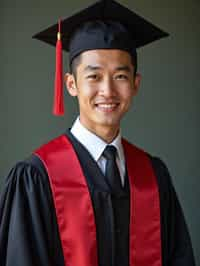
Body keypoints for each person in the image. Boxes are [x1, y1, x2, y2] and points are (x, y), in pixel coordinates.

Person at [0, 1, 196, 266]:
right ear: (71, 84)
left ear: (136, 84)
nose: (108, 91)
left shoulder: (153, 175)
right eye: (94, 77)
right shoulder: (36, 178)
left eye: (120, 77)